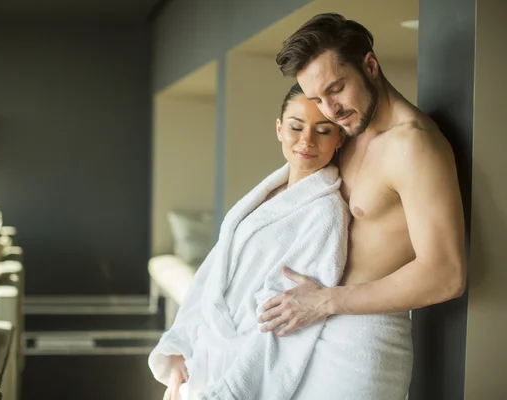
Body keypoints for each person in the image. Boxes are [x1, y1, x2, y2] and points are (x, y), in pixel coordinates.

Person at [258, 11, 467, 395]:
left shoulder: (413, 145)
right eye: (318, 98)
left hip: (361, 345)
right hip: (309, 328)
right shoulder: (346, 135)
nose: (330, 109)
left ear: (370, 65)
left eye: (336, 88)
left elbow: (446, 273)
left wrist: (324, 302)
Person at [149, 83, 351, 399]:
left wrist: (228, 392)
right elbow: (213, 272)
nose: (306, 140)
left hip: (240, 374)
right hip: (200, 360)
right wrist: (178, 346)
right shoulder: (268, 192)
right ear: (279, 129)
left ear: (339, 137)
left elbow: (288, 321)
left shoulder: (327, 213)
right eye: (296, 127)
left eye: (323, 130)